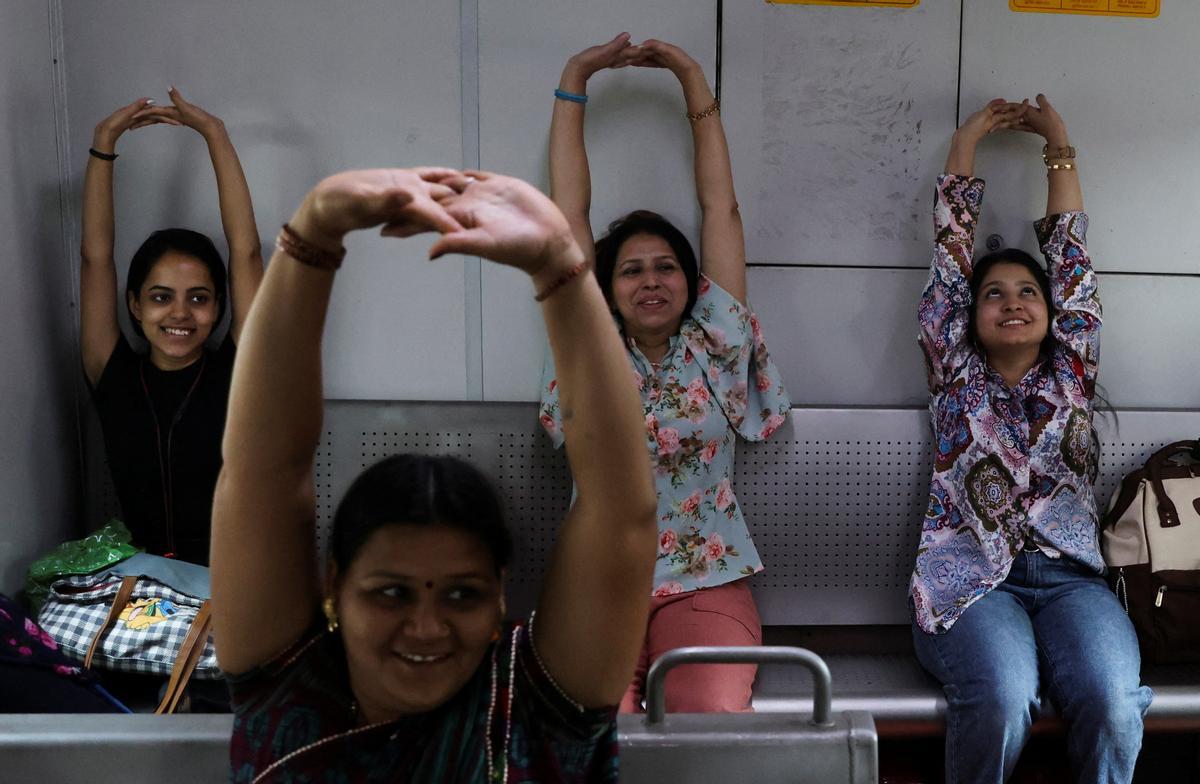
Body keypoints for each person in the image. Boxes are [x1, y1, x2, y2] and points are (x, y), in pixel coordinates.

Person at [211, 167, 658, 781]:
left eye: (462, 594)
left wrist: (559, 263)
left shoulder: (535, 712)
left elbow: (620, 512)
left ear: (502, 592)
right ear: (335, 585)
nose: (426, 628)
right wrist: (313, 231)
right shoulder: (288, 692)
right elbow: (263, 473)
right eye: (391, 592)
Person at [539, 34, 792, 714]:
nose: (650, 280)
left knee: (702, 725)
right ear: (606, 287)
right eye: (631, 269)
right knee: (596, 731)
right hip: (596, 583)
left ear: (691, 283)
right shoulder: (585, 346)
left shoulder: (717, 344)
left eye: (666, 267)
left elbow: (722, 211)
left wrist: (690, 76)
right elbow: (566, 217)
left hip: (707, 580)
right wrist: (575, 77)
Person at [909, 95, 1152, 783]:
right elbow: (953, 254)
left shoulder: (1073, 369)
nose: (1012, 301)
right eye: (994, 294)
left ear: (1050, 312)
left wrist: (1060, 146)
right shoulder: (952, 367)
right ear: (970, 316)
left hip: (1072, 580)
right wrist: (968, 139)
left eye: (1027, 292)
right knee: (1004, 698)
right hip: (970, 582)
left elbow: (1070, 254)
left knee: (1112, 702)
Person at [80, 89, 263, 565]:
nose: (180, 314)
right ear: (135, 305)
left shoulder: (238, 373)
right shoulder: (113, 372)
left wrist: (214, 134)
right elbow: (95, 258)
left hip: (235, 582)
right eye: (161, 297)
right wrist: (104, 144)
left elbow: (245, 252)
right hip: (145, 585)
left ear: (219, 306)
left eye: (198, 298)